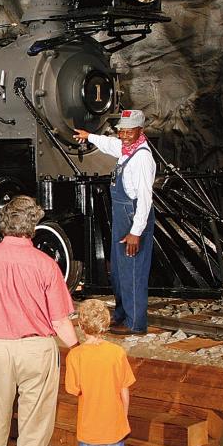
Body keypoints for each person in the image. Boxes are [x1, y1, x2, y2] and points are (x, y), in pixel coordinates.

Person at [0, 195, 78, 446]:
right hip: (38, 351)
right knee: (34, 429)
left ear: (3, 223)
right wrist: (78, 349)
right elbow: (59, 321)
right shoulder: (46, 265)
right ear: (32, 225)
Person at [74, 109, 157, 335]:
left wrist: (136, 232)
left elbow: (145, 198)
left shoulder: (141, 158)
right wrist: (89, 136)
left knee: (132, 271)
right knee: (120, 271)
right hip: (124, 216)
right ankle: (122, 314)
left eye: (130, 131)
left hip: (133, 218)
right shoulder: (126, 148)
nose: (124, 135)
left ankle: (135, 323)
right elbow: (111, 145)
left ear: (141, 131)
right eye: (122, 130)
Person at [64, 299, 135, 446]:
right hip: (114, 424)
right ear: (106, 323)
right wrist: (124, 417)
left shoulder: (75, 356)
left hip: (89, 427)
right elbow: (124, 389)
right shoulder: (117, 353)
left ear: (80, 324)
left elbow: (73, 389)